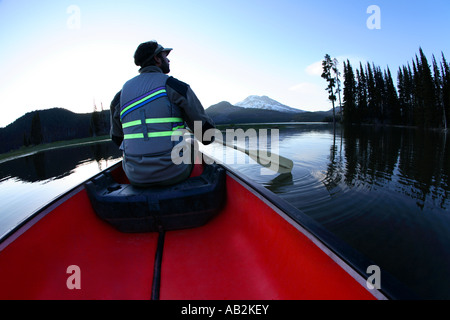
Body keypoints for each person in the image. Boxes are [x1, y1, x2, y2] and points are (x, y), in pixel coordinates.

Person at [110, 40, 215, 187]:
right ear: (157, 59)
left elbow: (117, 139)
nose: (168, 59)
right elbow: (206, 137)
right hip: (174, 172)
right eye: (165, 56)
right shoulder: (176, 86)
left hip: (135, 176)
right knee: (192, 143)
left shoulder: (119, 96)